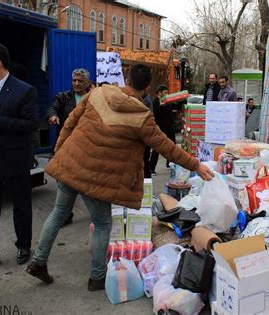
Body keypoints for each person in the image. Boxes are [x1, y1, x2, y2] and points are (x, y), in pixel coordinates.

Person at [25, 64, 214, 291]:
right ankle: (96, 277)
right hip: (97, 178)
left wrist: (60, 153)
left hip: (70, 164)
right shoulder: (142, 117)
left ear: (126, 77)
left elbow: (70, 122)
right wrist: (197, 166)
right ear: (146, 88)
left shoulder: (98, 92)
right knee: (103, 223)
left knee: (57, 213)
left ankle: (38, 261)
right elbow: (167, 147)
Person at [0, 42, 39, 272]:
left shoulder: (24, 90)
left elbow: (31, 124)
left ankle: (23, 246)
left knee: (21, 206)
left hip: (13, 159)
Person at [45, 68, 91, 227]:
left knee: (87, 179)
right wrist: (53, 116)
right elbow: (52, 108)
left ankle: (97, 212)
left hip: (88, 146)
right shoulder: (63, 97)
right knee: (64, 180)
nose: (76, 83)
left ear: (88, 83)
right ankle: (65, 213)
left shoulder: (94, 97)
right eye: (74, 80)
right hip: (67, 146)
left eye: (80, 81)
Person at [150, 85, 175, 174]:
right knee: (157, 149)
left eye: (167, 92)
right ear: (159, 93)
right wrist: (161, 106)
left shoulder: (168, 101)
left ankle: (170, 163)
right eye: (165, 93)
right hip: (160, 129)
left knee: (172, 147)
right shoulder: (155, 102)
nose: (167, 94)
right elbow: (154, 113)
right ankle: (151, 168)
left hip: (169, 128)